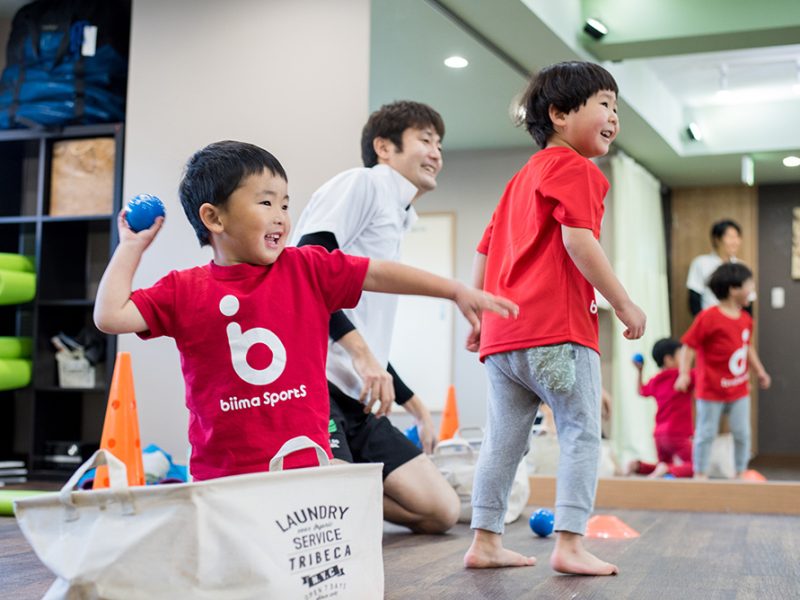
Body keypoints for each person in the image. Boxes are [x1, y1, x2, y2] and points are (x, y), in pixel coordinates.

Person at [93, 140, 518, 482]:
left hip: (305, 471)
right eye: (265, 204)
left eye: (284, 204)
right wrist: (131, 246)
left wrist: (456, 290)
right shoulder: (184, 289)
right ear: (214, 218)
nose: (281, 217)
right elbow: (111, 315)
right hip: (222, 477)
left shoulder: (306, 267)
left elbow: (379, 274)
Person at [463, 61, 646, 576]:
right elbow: (578, 240)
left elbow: (484, 249)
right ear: (560, 114)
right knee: (582, 433)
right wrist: (625, 303)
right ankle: (569, 542)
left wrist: (477, 315)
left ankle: (485, 539)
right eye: (604, 105)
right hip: (557, 333)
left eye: (617, 107)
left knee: (503, 440)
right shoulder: (578, 169)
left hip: (504, 339)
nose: (614, 117)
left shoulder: (518, 181)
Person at [292, 100, 462, 534]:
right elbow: (308, 270)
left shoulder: (399, 214)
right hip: (317, 383)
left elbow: (365, 325)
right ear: (384, 147)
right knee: (334, 516)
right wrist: (364, 356)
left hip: (358, 397)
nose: (436, 153)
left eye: (439, 143)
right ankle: (342, 502)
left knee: (441, 512)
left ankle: (351, 502)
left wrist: (418, 408)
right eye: (425, 140)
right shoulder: (362, 184)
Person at [675, 262, 770, 479]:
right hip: (710, 390)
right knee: (706, 433)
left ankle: (740, 472)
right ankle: (700, 474)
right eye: (749, 285)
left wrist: (760, 371)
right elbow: (689, 345)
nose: (752, 290)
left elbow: (747, 348)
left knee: (742, 433)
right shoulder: (709, 317)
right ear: (733, 289)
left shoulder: (746, 320)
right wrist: (683, 373)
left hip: (738, 390)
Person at [627, 338, 694, 478]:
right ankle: (668, 470)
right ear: (669, 359)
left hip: (659, 435)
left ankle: (639, 466)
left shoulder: (656, 380)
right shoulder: (683, 376)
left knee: (662, 466)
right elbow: (704, 379)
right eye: (681, 356)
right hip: (678, 432)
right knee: (698, 465)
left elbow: (640, 390)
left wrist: (640, 371)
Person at [686, 219, 742, 316]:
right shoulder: (701, 263)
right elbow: (694, 298)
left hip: (735, 323)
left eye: (737, 237)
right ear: (717, 239)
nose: (735, 241)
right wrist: (703, 323)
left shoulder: (742, 267)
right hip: (709, 322)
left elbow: (748, 301)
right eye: (730, 237)